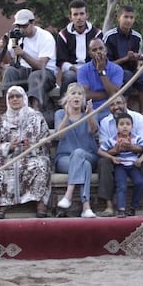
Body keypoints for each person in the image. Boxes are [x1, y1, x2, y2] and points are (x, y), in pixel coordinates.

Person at [0, 85, 52, 219]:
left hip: (32, 155)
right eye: (11, 97)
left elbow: (47, 140)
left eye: (18, 96)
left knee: (41, 165)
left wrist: (32, 146)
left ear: (24, 98)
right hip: (8, 157)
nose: (15, 99)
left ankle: (40, 203)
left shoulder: (36, 117)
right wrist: (9, 147)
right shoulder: (1, 120)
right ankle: (1, 204)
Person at [96, 94, 143, 216]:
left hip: (135, 158)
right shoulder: (105, 122)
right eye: (112, 104)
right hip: (116, 160)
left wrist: (131, 148)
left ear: (125, 104)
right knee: (102, 162)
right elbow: (103, 150)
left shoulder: (138, 118)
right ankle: (108, 205)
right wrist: (115, 150)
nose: (116, 107)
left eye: (119, 103)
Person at [54, 84, 99, 218]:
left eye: (80, 94)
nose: (76, 96)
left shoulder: (90, 113)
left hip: (88, 154)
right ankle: (86, 206)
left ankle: (68, 195)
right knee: (84, 165)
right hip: (65, 158)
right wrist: (67, 117)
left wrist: (89, 114)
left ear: (83, 98)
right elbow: (59, 135)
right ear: (67, 97)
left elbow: (93, 130)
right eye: (73, 93)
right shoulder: (60, 114)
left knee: (79, 153)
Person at [2, 9, 58, 115]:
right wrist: (4, 48)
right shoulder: (16, 36)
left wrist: (23, 54)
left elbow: (41, 65)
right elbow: (10, 63)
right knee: (10, 71)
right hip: (24, 71)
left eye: (24, 26)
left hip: (45, 73)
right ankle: (9, 110)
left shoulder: (45, 37)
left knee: (35, 76)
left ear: (33, 23)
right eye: (18, 26)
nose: (21, 29)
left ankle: (35, 114)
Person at [102, 5, 143, 111]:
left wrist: (137, 58)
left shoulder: (137, 37)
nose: (129, 20)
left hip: (132, 68)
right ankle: (124, 111)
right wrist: (125, 58)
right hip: (113, 70)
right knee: (126, 75)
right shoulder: (109, 36)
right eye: (126, 17)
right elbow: (106, 63)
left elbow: (140, 58)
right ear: (119, 17)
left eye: (131, 18)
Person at [55, 0, 101, 93]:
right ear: (70, 17)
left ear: (87, 15)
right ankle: (65, 105)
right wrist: (75, 69)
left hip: (92, 67)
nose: (79, 17)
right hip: (72, 69)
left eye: (81, 14)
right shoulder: (63, 35)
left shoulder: (97, 33)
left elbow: (100, 56)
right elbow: (61, 61)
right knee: (69, 77)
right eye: (75, 14)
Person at [76, 38, 124, 112]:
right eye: (94, 50)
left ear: (106, 50)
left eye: (101, 48)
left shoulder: (117, 69)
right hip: (90, 110)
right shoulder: (83, 70)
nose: (98, 52)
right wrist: (107, 94)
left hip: (110, 109)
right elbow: (85, 95)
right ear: (90, 53)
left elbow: (113, 93)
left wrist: (101, 71)